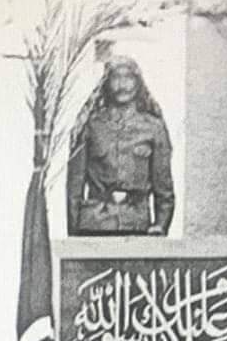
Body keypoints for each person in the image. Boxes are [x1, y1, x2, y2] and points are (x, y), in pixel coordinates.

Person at [66, 55, 175, 236]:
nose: (122, 85)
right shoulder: (90, 125)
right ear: (106, 84)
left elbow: (163, 185)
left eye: (129, 78)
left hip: (137, 223)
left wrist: (161, 225)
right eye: (116, 78)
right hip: (94, 224)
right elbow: (74, 186)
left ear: (138, 83)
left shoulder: (153, 127)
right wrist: (74, 231)